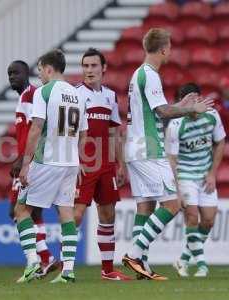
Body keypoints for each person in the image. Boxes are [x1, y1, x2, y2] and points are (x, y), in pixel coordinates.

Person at [121, 28, 214, 280]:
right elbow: (162, 113)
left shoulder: (138, 74)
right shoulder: (150, 76)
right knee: (172, 204)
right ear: (163, 49)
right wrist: (191, 108)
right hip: (149, 148)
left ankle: (142, 267)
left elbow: (156, 110)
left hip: (135, 147)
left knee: (145, 207)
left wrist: (180, 106)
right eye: (170, 47)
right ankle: (134, 253)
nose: (170, 51)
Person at [15, 49, 88, 283]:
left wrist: (26, 164)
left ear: (48, 69)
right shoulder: (77, 94)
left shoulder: (43, 92)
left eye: (40, 71)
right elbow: (84, 133)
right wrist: (75, 158)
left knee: (21, 210)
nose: (39, 76)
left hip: (46, 160)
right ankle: (67, 271)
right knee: (66, 213)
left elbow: (36, 128)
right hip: (70, 163)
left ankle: (33, 262)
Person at [74, 48, 131, 281]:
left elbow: (115, 132)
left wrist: (121, 164)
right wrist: (73, 161)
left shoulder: (110, 95)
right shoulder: (75, 94)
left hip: (106, 164)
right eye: (85, 66)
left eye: (93, 66)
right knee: (76, 214)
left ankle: (107, 270)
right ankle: (64, 267)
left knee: (107, 215)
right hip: (83, 164)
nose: (89, 70)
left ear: (103, 68)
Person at [167, 83, 226, 277]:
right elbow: (172, 160)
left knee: (208, 221)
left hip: (204, 175)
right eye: (190, 100)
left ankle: (182, 260)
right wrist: (177, 190)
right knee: (192, 217)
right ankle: (202, 265)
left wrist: (212, 173)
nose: (194, 103)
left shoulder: (212, 115)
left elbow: (220, 143)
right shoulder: (176, 125)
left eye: (196, 99)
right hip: (185, 175)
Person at [7, 60, 58, 276]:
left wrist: (21, 160)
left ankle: (39, 259)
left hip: (30, 163)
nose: (12, 77)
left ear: (26, 73)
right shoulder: (26, 96)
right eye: (9, 73)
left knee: (17, 211)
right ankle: (46, 258)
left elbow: (35, 131)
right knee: (33, 211)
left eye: (16, 72)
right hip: (33, 161)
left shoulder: (30, 95)